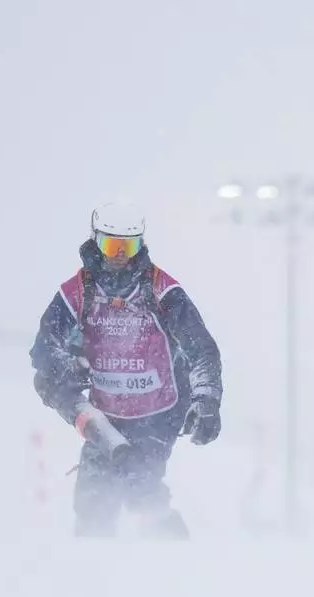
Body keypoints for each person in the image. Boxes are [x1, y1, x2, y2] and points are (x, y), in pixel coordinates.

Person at [29, 202, 223, 537]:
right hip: (105, 416)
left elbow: (200, 347)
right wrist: (69, 367)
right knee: (92, 502)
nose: (120, 255)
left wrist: (206, 400)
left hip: (157, 413)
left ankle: (175, 562)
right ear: (97, 241)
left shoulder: (161, 289)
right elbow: (43, 348)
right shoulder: (79, 291)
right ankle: (93, 573)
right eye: (112, 246)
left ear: (140, 244)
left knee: (140, 487)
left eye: (128, 246)